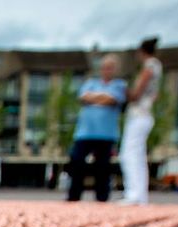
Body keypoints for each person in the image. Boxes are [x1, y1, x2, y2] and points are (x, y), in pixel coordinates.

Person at [67, 54, 126, 202]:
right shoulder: (90, 83)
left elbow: (112, 99)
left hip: (106, 134)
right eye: (105, 67)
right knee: (77, 162)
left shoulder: (119, 85)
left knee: (102, 167)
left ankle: (102, 198)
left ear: (115, 70)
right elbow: (84, 97)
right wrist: (103, 98)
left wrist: (94, 98)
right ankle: (74, 196)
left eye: (110, 68)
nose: (107, 70)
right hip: (84, 132)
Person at [120, 37, 163, 205]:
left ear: (141, 52)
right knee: (138, 155)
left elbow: (136, 94)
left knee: (129, 154)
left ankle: (133, 194)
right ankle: (140, 195)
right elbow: (155, 94)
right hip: (146, 114)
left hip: (139, 114)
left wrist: (124, 90)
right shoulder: (157, 66)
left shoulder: (149, 66)